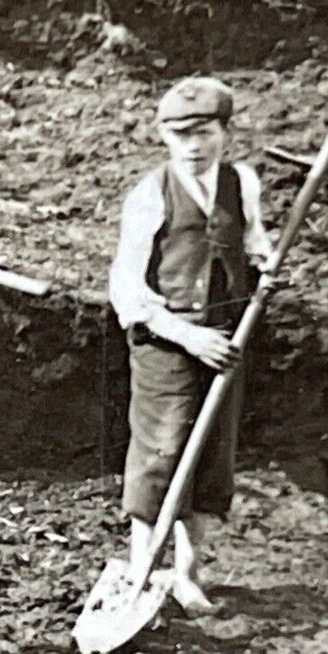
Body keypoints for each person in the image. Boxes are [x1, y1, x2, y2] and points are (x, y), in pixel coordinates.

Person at [108, 76, 273, 614]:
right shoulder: (150, 193)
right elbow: (127, 288)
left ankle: (186, 573)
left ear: (225, 132)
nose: (194, 146)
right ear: (164, 137)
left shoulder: (241, 181)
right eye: (181, 135)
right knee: (160, 451)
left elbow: (252, 242)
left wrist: (265, 266)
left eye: (204, 133)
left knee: (211, 457)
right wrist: (185, 334)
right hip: (167, 340)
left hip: (226, 338)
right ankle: (140, 572)